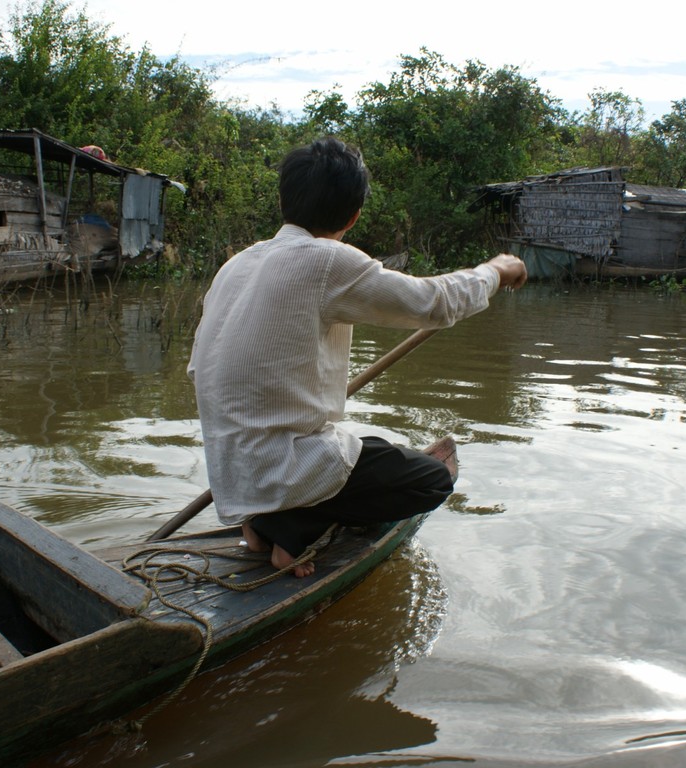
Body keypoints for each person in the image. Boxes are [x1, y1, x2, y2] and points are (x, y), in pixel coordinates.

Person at [187, 136, 527, 577]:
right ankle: (291, 527)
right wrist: (496, 271)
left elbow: (202, 367)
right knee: (431, 479)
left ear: (282, 200)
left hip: (233, 471)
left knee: (363, 451)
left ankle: (259, 520)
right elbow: (434, 302)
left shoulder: (236, 264)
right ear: (354, 215)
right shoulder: (326, 260)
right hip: (279, 466)